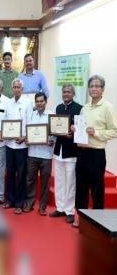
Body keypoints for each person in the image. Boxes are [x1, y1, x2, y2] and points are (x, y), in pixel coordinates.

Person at [73, 75, 117, 228]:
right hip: (82, 152)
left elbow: (114, 131)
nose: (94, 89)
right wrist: (75, 129)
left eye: (97, 86)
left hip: (96, 154)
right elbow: (81, 129)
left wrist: (96, 132)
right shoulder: (84, 108)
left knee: (97, 188)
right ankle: (80, 217)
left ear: (102, 89)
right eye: (91, 86)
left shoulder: (107, 107)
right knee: (81, 187)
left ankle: (98, 220)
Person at [50, 84, 82, 223]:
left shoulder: (79, 108)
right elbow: (55, 126)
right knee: (59, 180)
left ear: (73, 94)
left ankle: (69, 211)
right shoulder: (58, 108)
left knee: (70, 182)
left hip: (71, 151)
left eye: (69, 92)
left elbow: (80, 130)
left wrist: (72, 135)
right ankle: (60, 208)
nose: (66, 94)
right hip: (58, 150)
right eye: (64, 92)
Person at [2, 78, 33, 214]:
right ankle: (10, 200)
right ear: (11, 88)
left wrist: (25, 137)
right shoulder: (8, 103)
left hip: (21, 146)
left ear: (22, 89)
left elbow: (30, 123)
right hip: (9, 145)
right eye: (14, 87)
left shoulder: (27, 103)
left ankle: (20, 203)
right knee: (9, 173)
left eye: (18, 87)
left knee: (21, 175)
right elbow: (5, 122)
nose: (16, 89)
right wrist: (2, 132)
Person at [24, 92, 55, 216]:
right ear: (35, 103)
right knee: (30, 180)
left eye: (41, 101)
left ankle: (42, 207)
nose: (39, 103)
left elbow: (56, 133)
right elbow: (28, 131)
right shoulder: (31, 115)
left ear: (46, 102)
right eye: (37, 101)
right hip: (32, 153)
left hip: (46, 154)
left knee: (45, 182)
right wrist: (27, 138)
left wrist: (53, 141)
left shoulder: (51, 115)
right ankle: (30, 204)